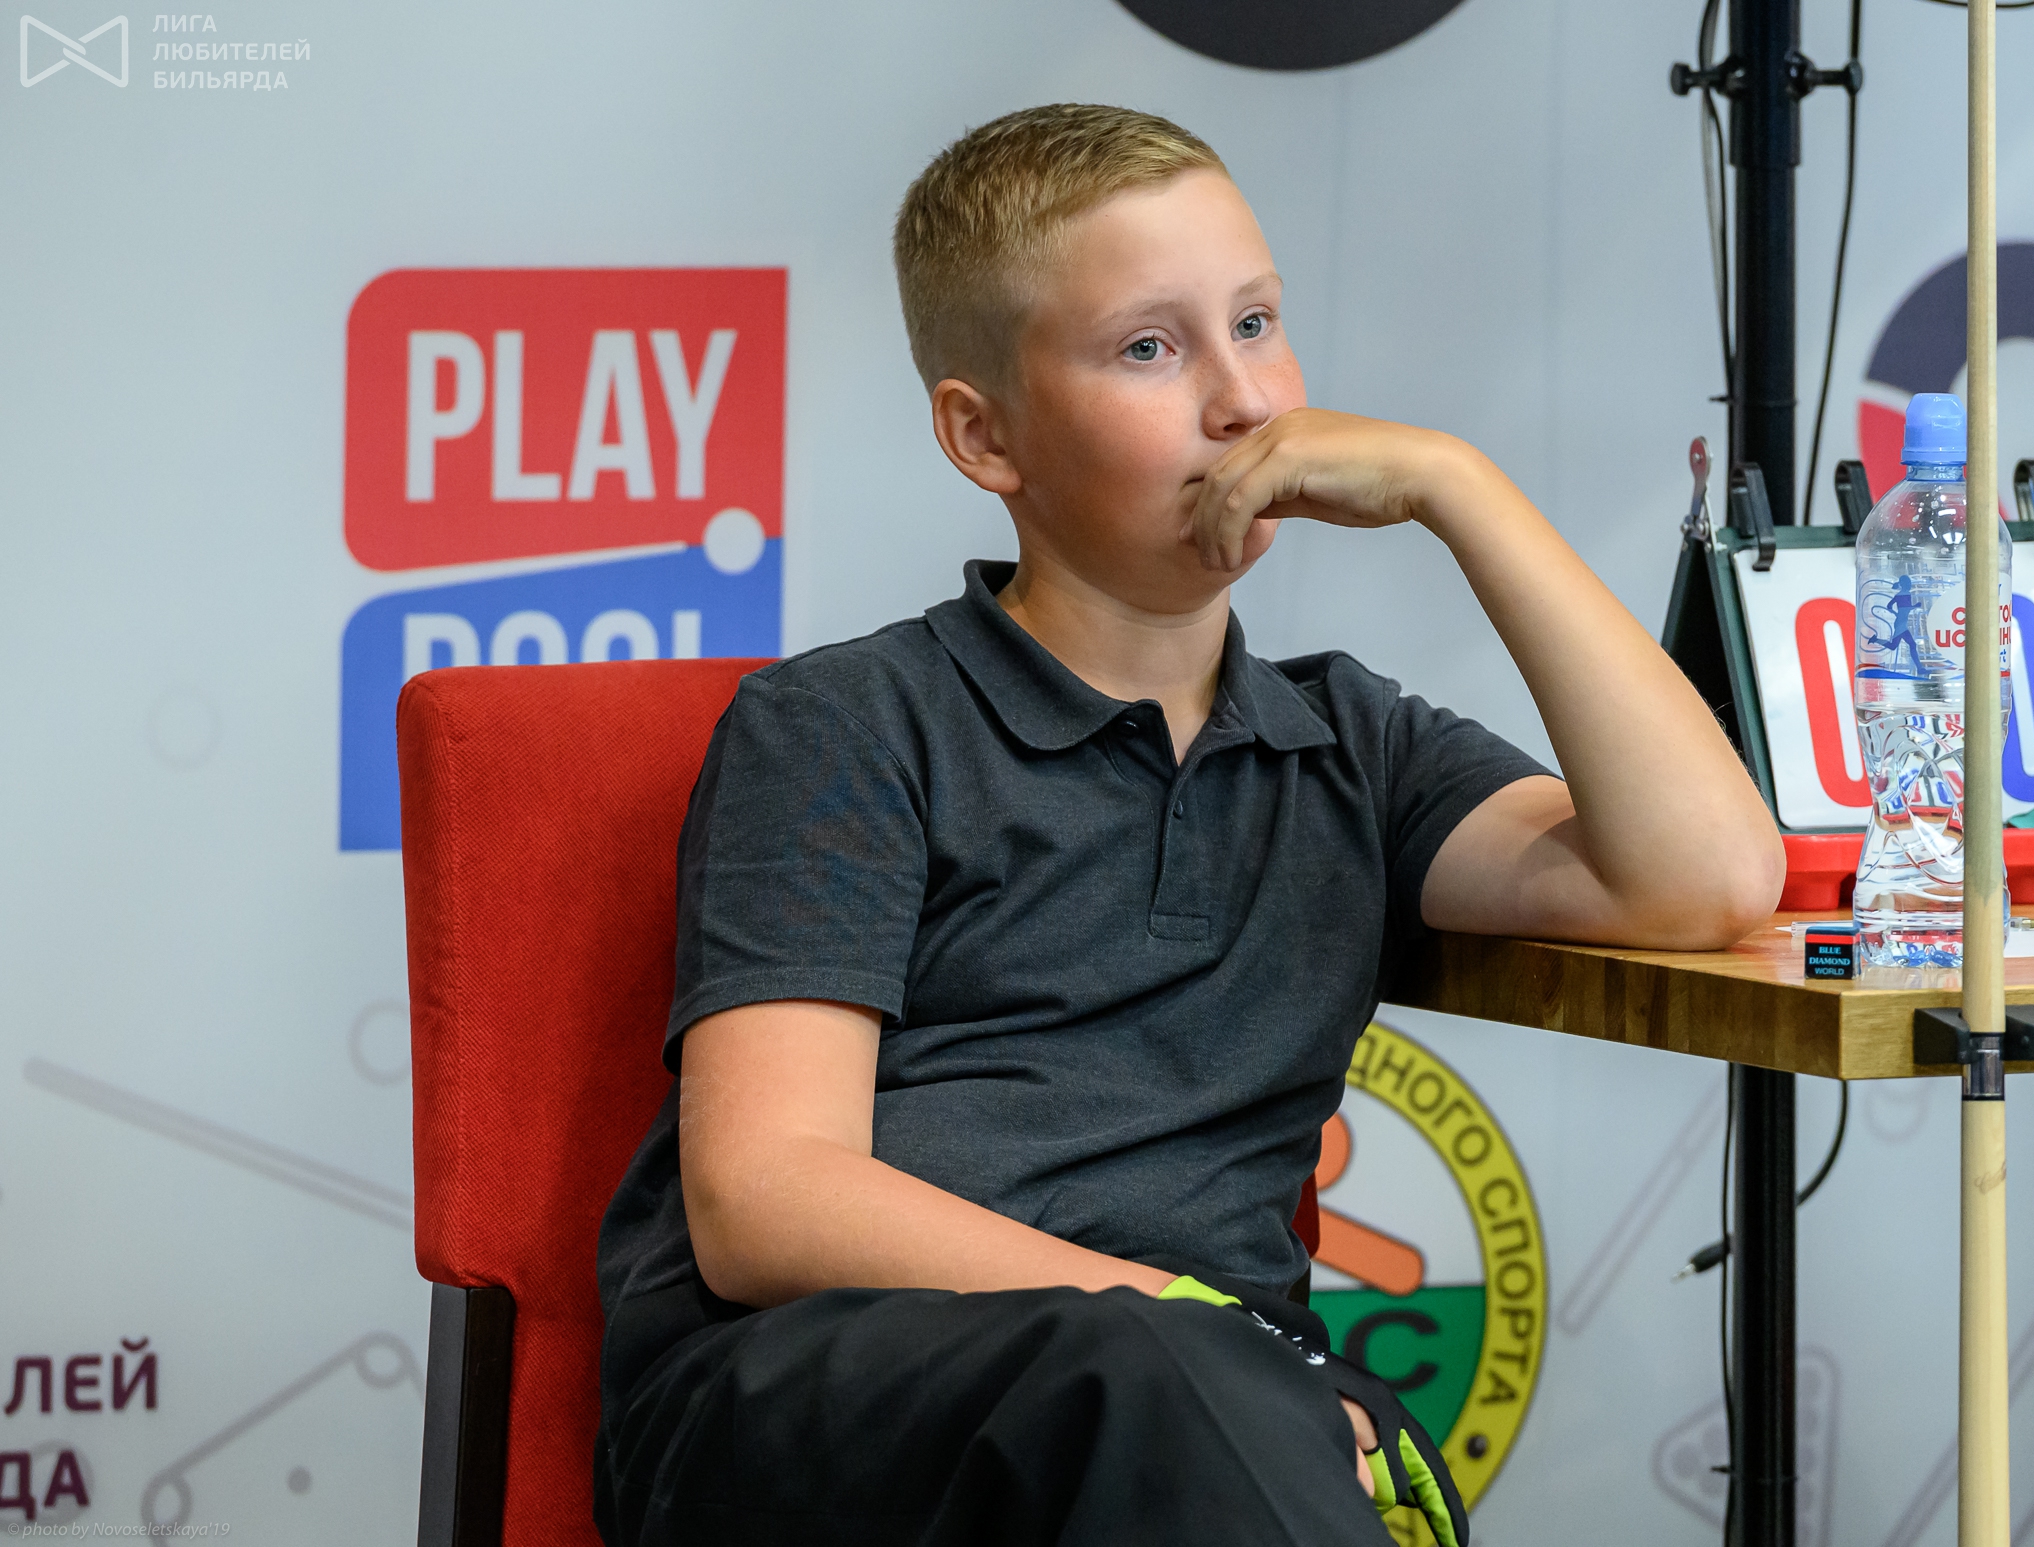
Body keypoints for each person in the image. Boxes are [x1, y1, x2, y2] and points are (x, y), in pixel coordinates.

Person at [592, 104, 1785, 1547]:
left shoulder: (1348, 744)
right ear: (984, 434)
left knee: (1219, 1410)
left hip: (1211, 1401)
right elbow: (764, 1197)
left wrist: (1457, 487)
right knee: (1163, 1381)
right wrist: (1182, 1319)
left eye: (1257, 323)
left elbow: (1713, 874)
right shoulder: (849, 720)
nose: (1242, 402)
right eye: (1150, 348)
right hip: (805, 1401)